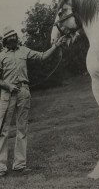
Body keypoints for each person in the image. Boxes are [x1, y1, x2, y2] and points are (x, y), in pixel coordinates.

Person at [0, 26, 66, 176]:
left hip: (23, 92)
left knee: (22, 128)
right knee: (3, 130)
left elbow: (42, 56)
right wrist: (8, 86)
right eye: (10, 37)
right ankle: (1, 167)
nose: (13, 39)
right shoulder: (1, 56)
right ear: (5, 41)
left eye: (14, 36)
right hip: (6, 95)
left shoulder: (24, 50)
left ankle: (19, 165)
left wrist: (56, 45)